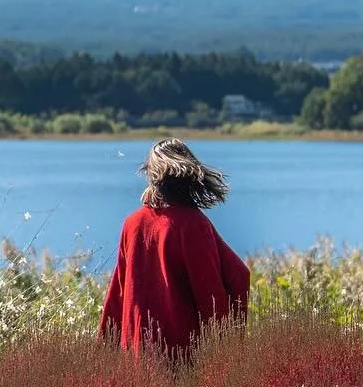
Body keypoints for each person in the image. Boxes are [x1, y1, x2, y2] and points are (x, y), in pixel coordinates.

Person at [99, 138, 250, 355]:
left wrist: (105, 348)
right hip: (181, 355)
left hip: (135, 351)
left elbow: (118, 291)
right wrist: (227, 347)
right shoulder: (193, 224)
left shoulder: (132, 223)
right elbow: (227, 282)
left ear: (152, 176)